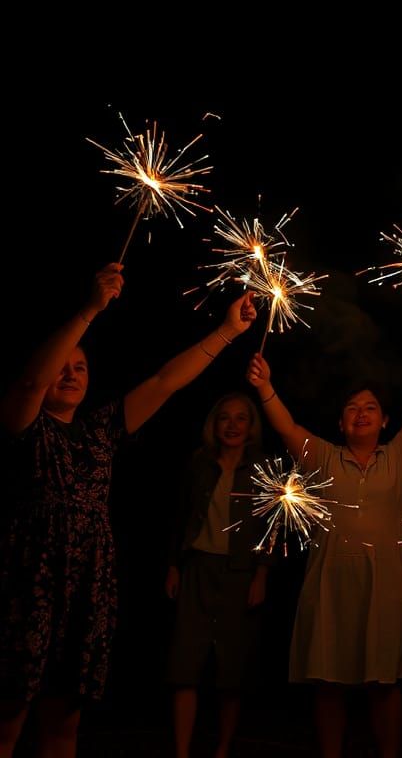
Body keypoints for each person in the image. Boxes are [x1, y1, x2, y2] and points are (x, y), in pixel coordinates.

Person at [0, 262, 255, 758]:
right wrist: (90, 311)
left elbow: (164, 382)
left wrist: (226, 331)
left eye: (81, 368)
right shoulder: (23, 426)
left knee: (62, 726)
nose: (71, 375)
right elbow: (32, 386)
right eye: (62, 367)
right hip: (28, 586)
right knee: (7, 722)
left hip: (87, 590)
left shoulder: (101, 430)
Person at [246, 303, 402, 758]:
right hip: (330, 582)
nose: (361, 413)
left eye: (371, 408)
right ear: (341, 423)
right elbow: (286, 426)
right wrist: (264, 388)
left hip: (387, 582)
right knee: (329, 681)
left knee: (384, 681)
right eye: (352, 408)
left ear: (385, 422)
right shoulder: (322, 456)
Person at [165, 391, 273, 758]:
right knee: (185, 665)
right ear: (214, 424)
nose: (232, 425)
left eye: (240, 418)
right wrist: (174, 565)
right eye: (225, 417)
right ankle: (181, 750)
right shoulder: (199, 463)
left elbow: (271, 527)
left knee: (231, 671)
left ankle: (223, 748)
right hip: (198, 568)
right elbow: (179, 516)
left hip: (238, 573)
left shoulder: (261, 469)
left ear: (251, 426)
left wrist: (261, 575)